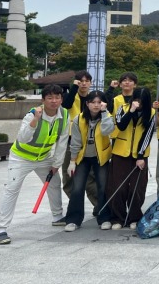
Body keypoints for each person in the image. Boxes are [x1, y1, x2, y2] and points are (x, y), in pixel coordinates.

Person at [0, 84, 69, 245]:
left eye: (57, 97)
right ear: (43, 100)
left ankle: (57, 216)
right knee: (12, 189)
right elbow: (22, 138)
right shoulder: (33, 114)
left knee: (54, 183)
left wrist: (56, 164)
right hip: (21, 158)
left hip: (43, 157)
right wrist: (35, 120)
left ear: (62, 99)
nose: (54, 101)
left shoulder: (64, 115)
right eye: (50, 98)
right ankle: (1, 229)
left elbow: (62, 141)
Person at [63, 90, 114, 232]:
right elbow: (75, 142)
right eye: (93, 102)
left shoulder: (107, 116)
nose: (96, 105)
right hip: (82, 157)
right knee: (77, 187)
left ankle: (104, 218)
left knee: (103, 187)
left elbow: (106, 131)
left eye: (99, 102)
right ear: (87, 103)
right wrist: (72, 161)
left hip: (101, 157)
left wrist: (104, 113)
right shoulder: (79, 119)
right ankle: (73, 219)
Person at [106, 87, 155, 230]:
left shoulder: (151, 113)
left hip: (140, 156)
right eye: (136, 100)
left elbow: (148, 135)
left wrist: (140, 156)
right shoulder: (122, 108)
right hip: (120, 153)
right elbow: (121, 126)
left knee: (137, 189)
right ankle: (118, 218)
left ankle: (134, 217)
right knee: (118, 188)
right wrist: (131, 111)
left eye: (141, 101)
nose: (138, 103)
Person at [61, 70, 98, 214]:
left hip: (90, 141)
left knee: (91, 177)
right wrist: (74, 88)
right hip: (71, 140)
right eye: (80, 81)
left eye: (86, 81)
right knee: (69, 175)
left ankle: (99, 205)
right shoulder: (71, 95)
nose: (83, 83)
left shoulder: (94, 98)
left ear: (90, 83)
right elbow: (66, 106)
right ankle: (75, 207)